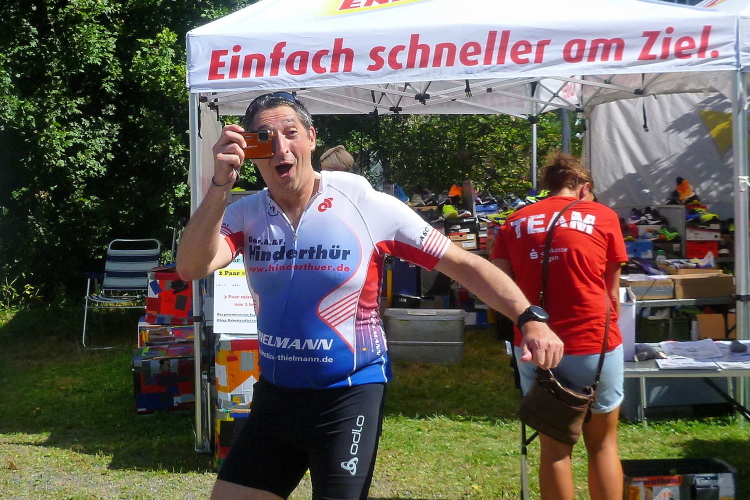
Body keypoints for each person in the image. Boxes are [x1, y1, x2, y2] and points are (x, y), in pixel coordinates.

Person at [176, 91, 564, 500]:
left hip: (348, 395)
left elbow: (462, 264)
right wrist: (220, 185)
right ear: (250, 150)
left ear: (312, 137)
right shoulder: (245, 213)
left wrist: (529, 317)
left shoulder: (363, 203)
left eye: (291, 133)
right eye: (264, 138)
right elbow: (191, 267)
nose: (281, 149)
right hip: (277, 395)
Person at [490, 153, 628, 500]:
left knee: (553, 450)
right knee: (603, 444)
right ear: (584, 187)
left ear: (548, 186)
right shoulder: (602, 216)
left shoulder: (514, 222)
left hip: (534, 344)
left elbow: (499, 285)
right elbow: (612, 292)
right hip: (593, 340)